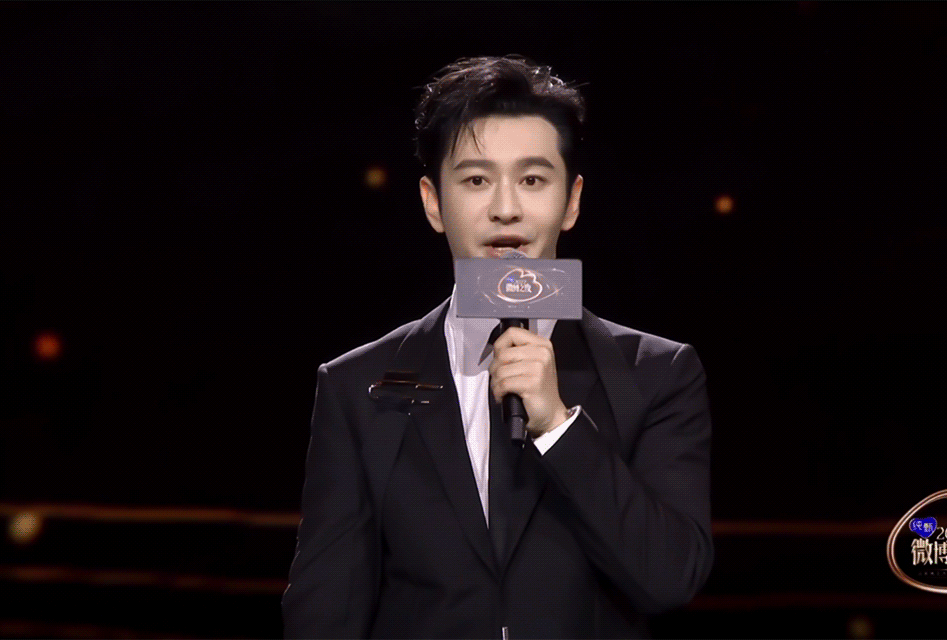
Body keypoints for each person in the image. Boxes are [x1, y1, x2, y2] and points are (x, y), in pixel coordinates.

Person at [282, 55, 713, 639]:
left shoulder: (657, 374)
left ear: (572, 200)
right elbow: (325, 610)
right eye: (476, 180)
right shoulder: (358, 385)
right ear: (433, 202)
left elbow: (671, 577)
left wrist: (558, 427)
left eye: (532, 180)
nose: (506, 208)